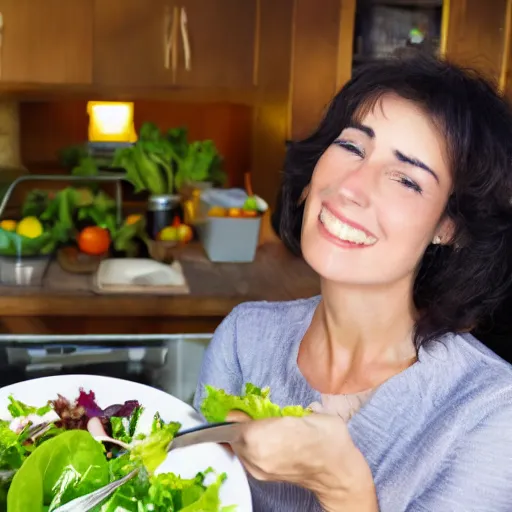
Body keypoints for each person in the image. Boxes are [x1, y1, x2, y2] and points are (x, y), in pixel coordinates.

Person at [193, 54, 512, 512]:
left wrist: (344, 489)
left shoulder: (491, 413)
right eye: (353, 147)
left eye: (405, 178)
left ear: (449, 225)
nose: (351, 187)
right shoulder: (245, 340)